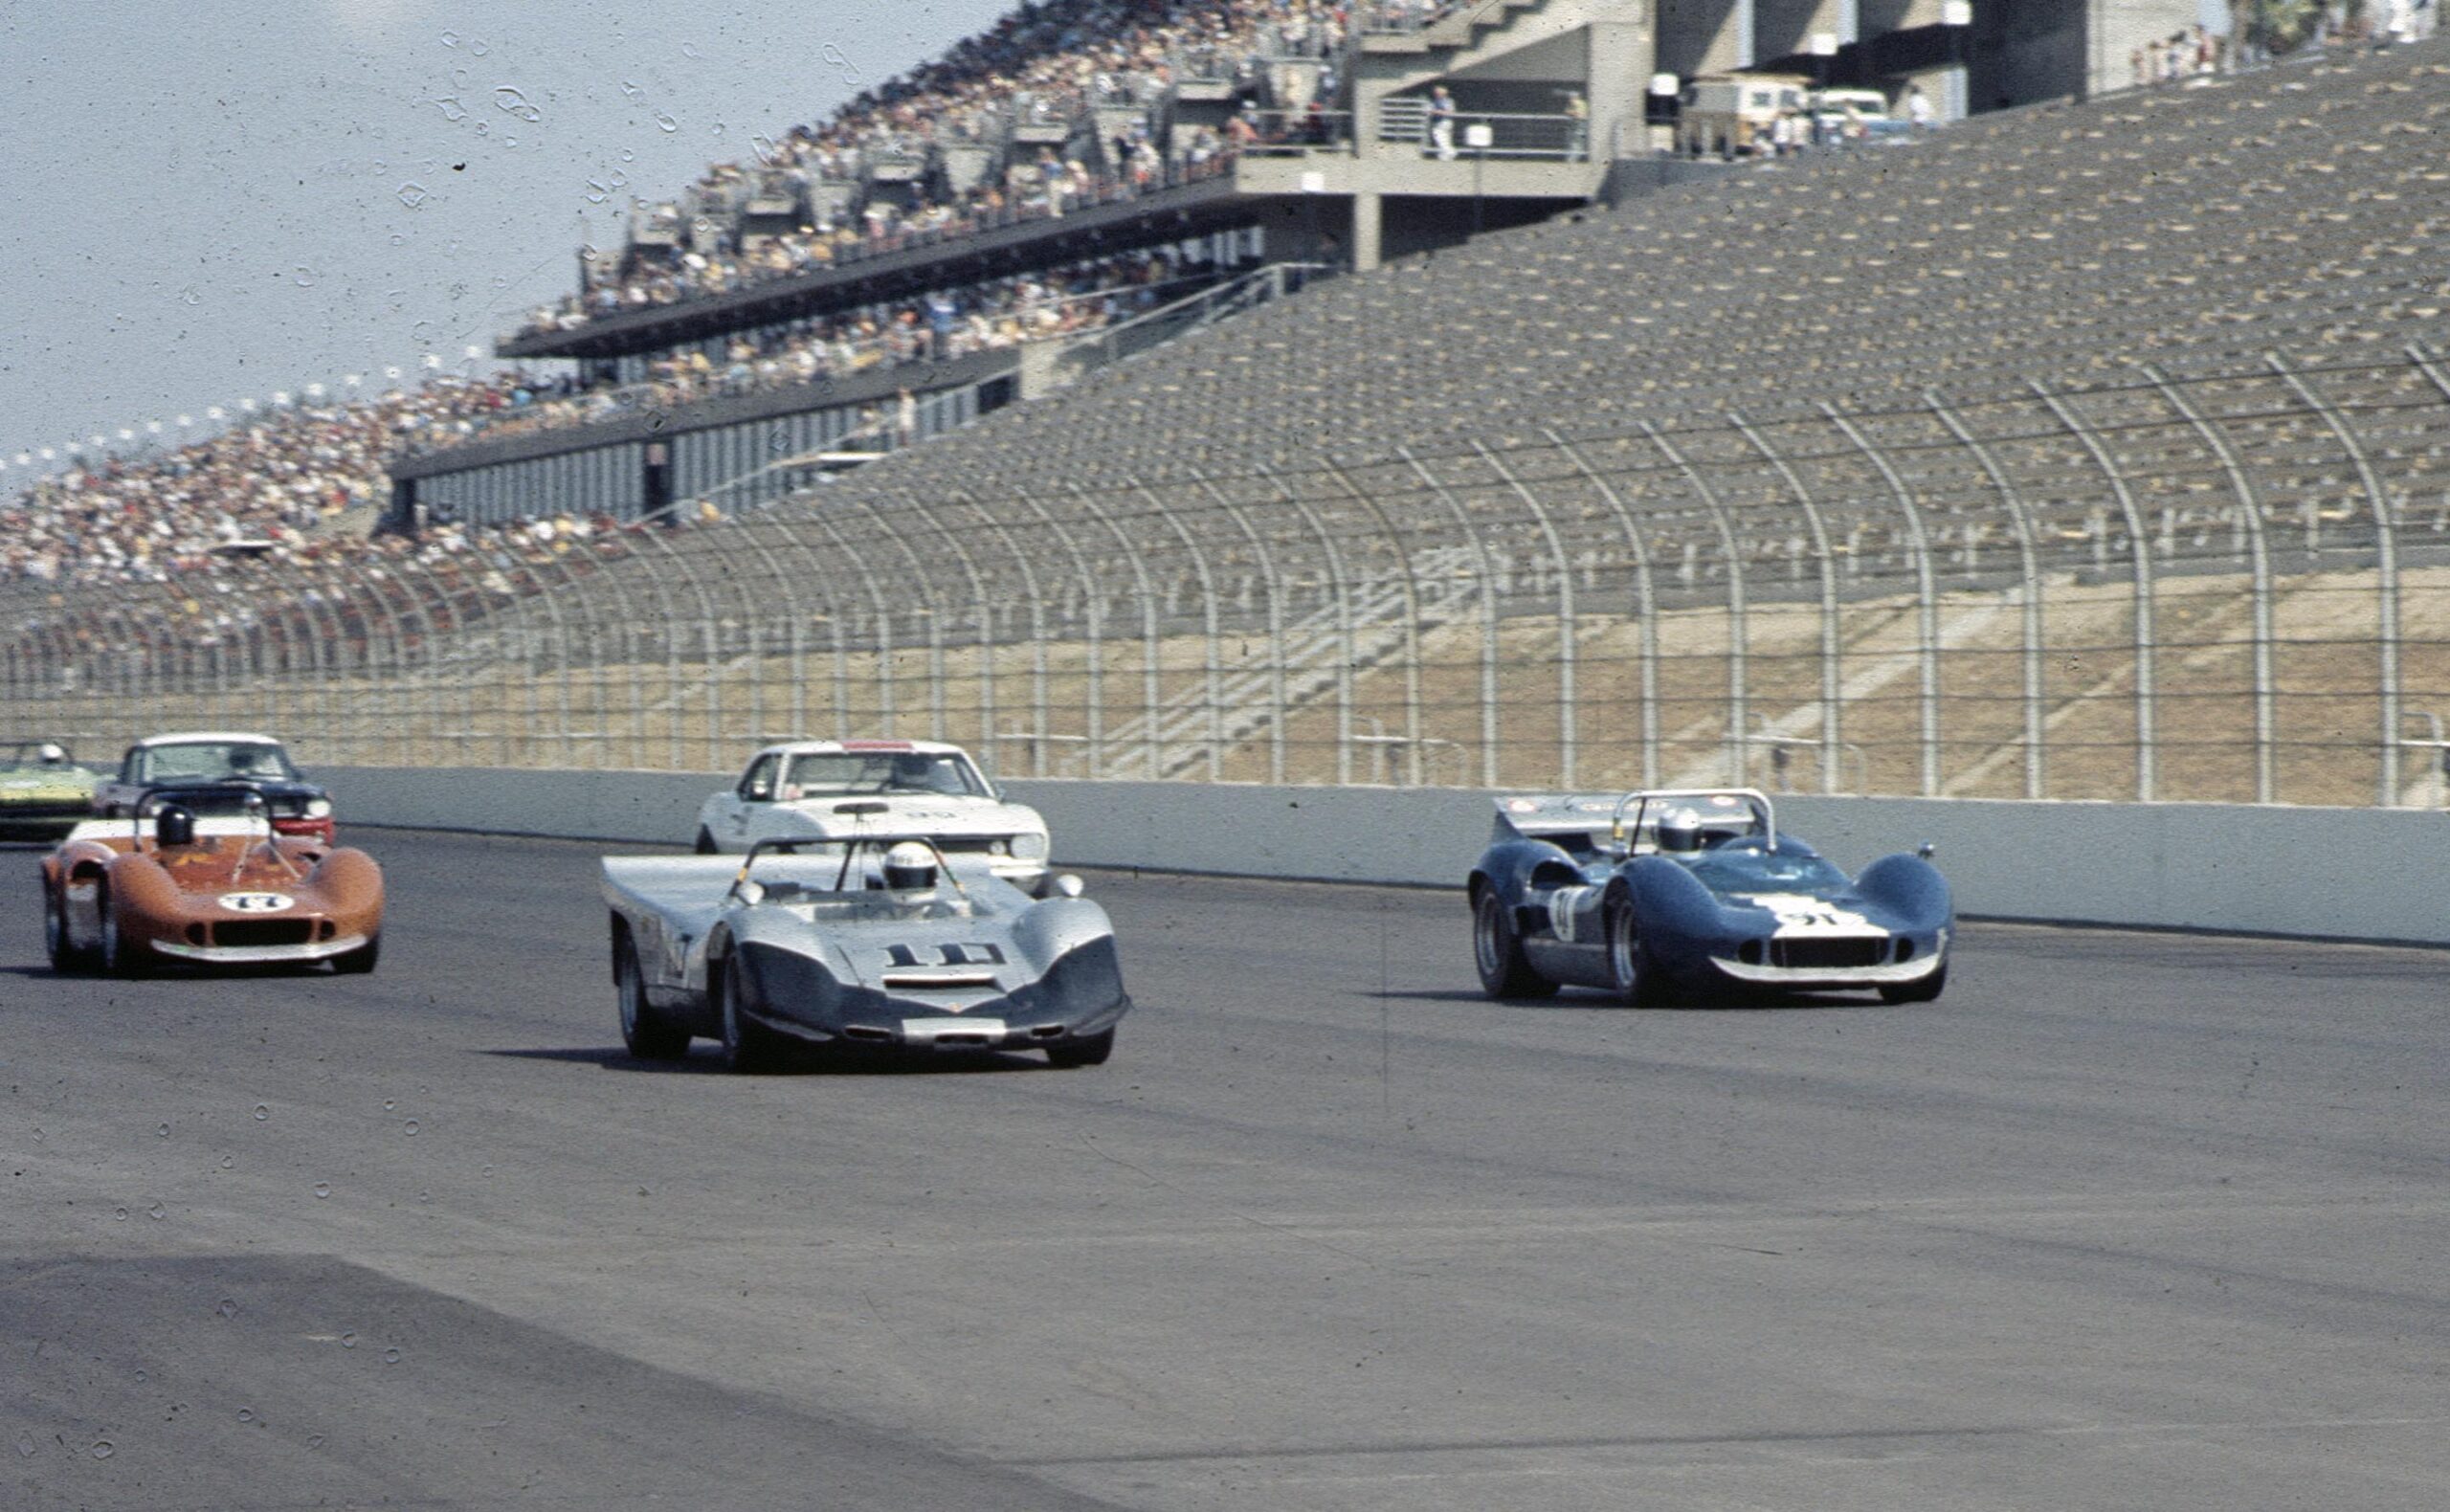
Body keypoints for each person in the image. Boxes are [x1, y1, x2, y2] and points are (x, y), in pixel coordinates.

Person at [1427, 85, 1456, 161]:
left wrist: (1436, 111)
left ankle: (1450, 151)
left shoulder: (1446, 101)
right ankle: (1445, 156)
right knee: (1444, 139)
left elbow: (1449, 112)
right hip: (1442, 122)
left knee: (1438, 135)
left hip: (1443, 122)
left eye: (1437, 93)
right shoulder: (1436, 101)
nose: (1436, 94)